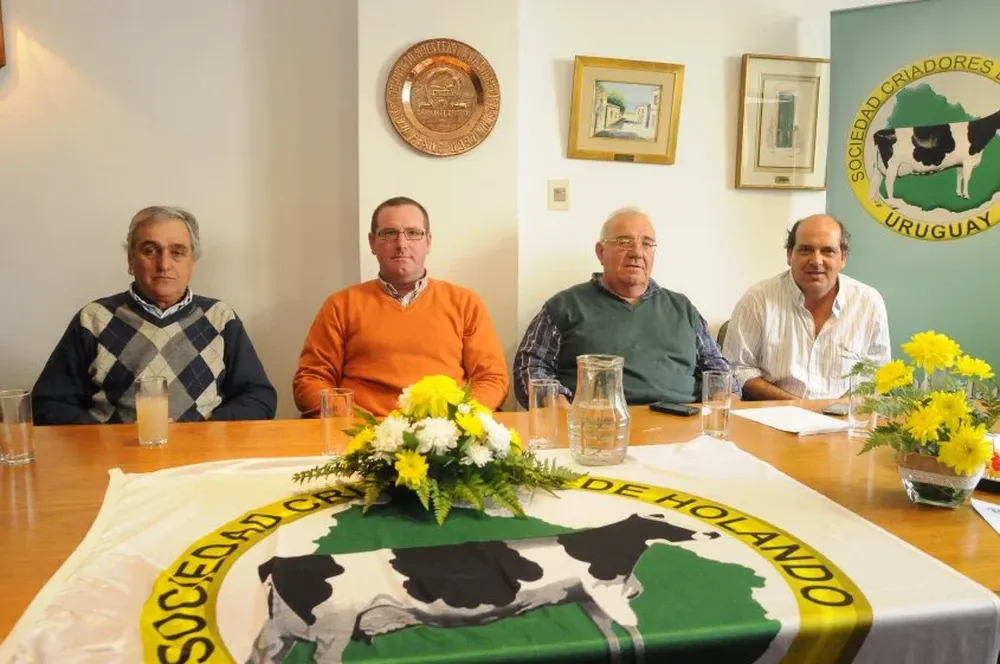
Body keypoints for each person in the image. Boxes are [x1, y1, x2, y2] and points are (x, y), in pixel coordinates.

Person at [32, 206, 278, 424]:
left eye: (177, 252)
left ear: (193, 262)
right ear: (130, 260)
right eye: (150, 251)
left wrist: (205, 432)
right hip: (115, 457)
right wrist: (110, 438)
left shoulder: (220, 318)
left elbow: (258, 398)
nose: (164, 265)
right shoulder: (94, 319)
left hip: (202, 454)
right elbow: (48, 404)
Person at [292, 196, 509, 417]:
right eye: (389, 233)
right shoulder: (340, 305)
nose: (402, 244)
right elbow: (311, 380)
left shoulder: (465, 303)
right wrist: (353, 421)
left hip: (444, 431)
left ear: (428, 242)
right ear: (372, 242)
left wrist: (457, 421)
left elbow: (491, 379)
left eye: (413, 233)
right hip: (361, 429)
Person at [512, 206, 737, 408]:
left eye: (646, 243)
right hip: (596, 425)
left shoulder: (683, 309)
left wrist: (720, 403)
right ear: (601, 252)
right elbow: (530, 367)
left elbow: (718, 369)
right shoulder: (565, 306)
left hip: (682, 425)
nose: (637, 252)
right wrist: (554, 402)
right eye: (624, 242)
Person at [722, 213, 891, 400]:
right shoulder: (758, 299)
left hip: (845, 415)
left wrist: (837, 410)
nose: (816, 261)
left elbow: (878, 376)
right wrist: (798, 406)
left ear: (843, 258)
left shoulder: (869, 303)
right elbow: (737, 369)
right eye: (805, 250)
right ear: (789, 255)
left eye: (827, 251)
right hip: (774, 412)